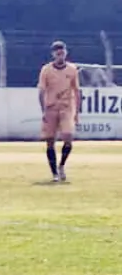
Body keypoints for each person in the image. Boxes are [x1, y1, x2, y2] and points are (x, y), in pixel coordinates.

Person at [38, 39, 81, 182]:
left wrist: (77, 112)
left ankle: (61, 165)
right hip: (51, 108)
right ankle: (54, 173)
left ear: (65, 53)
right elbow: (41, 91)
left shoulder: (72, 69)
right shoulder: (46, 70)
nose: (60, 55)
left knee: (68, 137)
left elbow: (77, 90)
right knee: (50, 141)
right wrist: (43, 110)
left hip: (66, 107)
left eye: (62, 52)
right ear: (53, 54)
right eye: (57, 52)